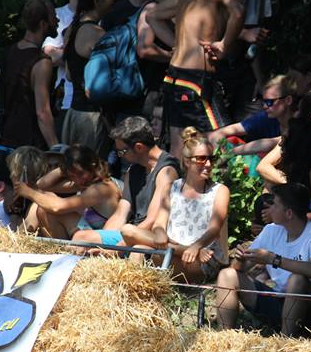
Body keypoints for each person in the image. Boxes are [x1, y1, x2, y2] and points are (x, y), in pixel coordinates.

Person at [146, 0, 245, 156]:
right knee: (224, 142)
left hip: (173, 79)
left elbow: (153, 16)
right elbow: (237, 12)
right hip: (196, 82)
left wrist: (178, 46)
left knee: (177, 147)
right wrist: (224, 46)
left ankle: (173, 188)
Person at [215, 182, 311, 337]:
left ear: (288, 213)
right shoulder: (271, 230)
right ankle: (223, 338)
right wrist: (240, 259)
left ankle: (284, 342)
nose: (269, 209)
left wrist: (273, 259)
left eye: (275, 205)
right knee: (227, 275)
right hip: (281, 302)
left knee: (298, 279)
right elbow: (238, 268)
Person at [133, 128, 230, 282]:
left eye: (212, 158)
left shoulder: (220, 190)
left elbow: (214, 229)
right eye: (201, 159)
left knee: (138, 245)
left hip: (201, 257)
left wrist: (196, 247)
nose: (209, 164)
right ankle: (135, 298)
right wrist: (159, 233)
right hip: (171, 249)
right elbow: (159, 223)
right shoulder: (171, 187)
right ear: (186, 161)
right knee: (135, 246)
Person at [88, 116, 180, 247]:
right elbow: (120, 214)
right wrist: (104, 240)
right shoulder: (133, 170)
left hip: (149, 237)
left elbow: (152, 220)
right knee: (81, 234)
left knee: (83, 237)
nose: (120, 156)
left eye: (122, 151)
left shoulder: (167, 171)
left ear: (139, 147)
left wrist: (115, 249)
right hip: (130, 233)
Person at [0, 0, 59, 149]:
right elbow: (42, 113)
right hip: (28, 144)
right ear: (43, 24)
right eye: (54, 17)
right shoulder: (41, 62)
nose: (57, 22)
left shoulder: (10, 52)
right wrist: (56, 148)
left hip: (3, 137)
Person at [14, 145, 122, 240]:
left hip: (100, 240)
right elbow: (42, 185)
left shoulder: (102, 188)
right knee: (44, 200)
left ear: (92, 166)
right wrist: (65, 167)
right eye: (72, 176)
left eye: (80, 173)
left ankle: (58, 252)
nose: (78, 180)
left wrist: (29, 193)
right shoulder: (85, 183)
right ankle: (21, 238)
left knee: (47, 206)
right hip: (87, 234)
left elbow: (58, 207)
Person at [61, 0, 116, 154]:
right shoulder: (96, 33)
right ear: (97, 0)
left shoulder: (72, 29)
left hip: (74, 113)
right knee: (91, 171)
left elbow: (69, 74)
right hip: (91, 117)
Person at [136, 0, 192, 127]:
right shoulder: (151, 10)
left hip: (177, 88)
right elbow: (144, 49)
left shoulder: (178, 11)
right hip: (156, 91)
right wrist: (175, 56)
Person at [43, 0, 90, 112]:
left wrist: (65, 51)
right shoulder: (57, 16)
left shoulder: (100, 13)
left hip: (96, 99)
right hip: (66, 99)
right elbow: (49, 56)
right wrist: (82, 51)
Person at [207, 74, 297, 155]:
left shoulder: (301, 123)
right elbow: (223, 131)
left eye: (270, 102)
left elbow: (270, 143)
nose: (265, 106)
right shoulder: (265, 117)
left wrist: (230, 153)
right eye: (263, 101)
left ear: (288, 100)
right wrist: (219, 148)